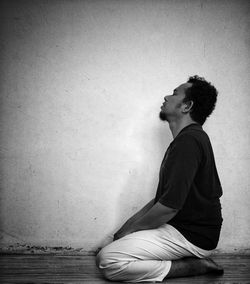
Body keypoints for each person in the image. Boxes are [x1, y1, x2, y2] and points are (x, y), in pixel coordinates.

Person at [96, 75, 223, 282]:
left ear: (187, 106)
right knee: (107, 244)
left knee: (108, 260)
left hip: (192, 235)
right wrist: (121, 231)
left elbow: (168, 208)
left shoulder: (188, 142)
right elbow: (162, 201)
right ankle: (183, 258)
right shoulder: (186, 140)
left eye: (174, 94)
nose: (166, 96)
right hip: (180, 227)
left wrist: (127, 232)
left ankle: (192, 265)